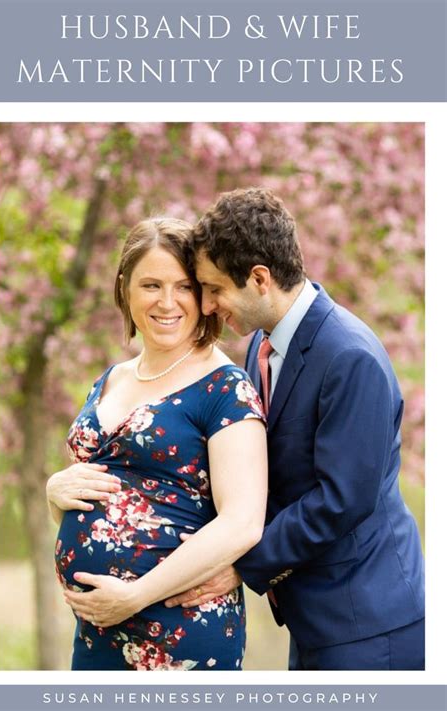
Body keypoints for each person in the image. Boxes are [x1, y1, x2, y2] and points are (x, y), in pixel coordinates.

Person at [165, 187, 425, 671]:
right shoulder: (260, 344)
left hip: (367, 622)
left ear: (259, 278)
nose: (205, 306)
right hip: (315, 619)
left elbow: (341, 500)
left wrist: (243, 563)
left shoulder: (349, 358)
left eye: (215, 289)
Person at [46, 217, 267, 671]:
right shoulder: (110, 378)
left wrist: (134, 596)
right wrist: (55, 491)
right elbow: (103, 494)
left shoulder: (226, 386)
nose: (167, 302)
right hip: (97, 632)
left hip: (178, 629)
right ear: (125, 288)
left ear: (203, 295)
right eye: (151, 285)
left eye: (183, 287)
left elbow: (242, 522)